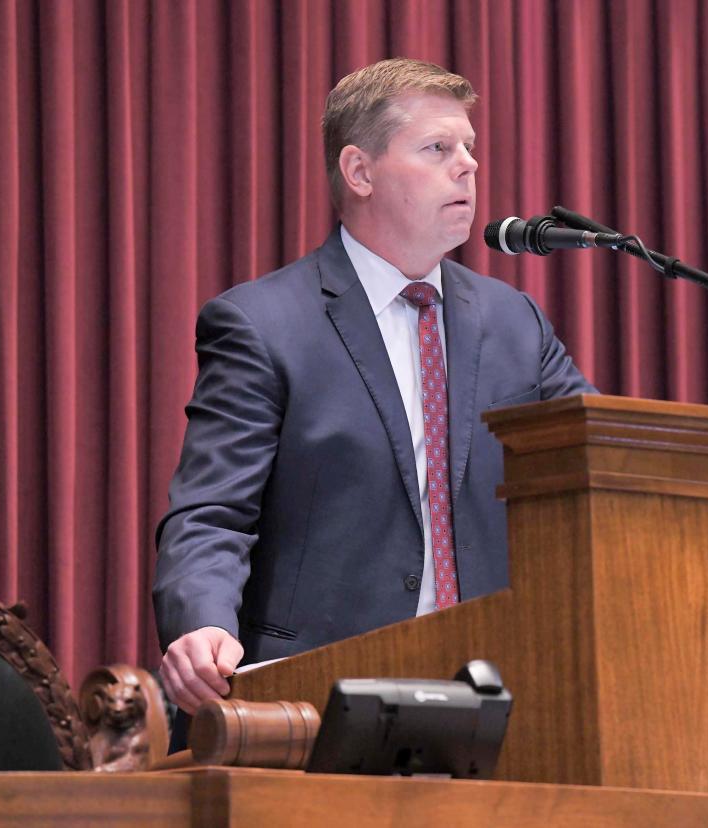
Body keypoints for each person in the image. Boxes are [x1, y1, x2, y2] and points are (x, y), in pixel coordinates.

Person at [153, 58, 594, 715]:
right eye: (438, 148)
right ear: (359, 171)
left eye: (470, 147)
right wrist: (202, 622)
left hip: (497, 693)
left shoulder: (515, 324)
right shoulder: (263, 324)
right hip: (317, 697)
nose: (469, 165)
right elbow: (212, 512)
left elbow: (600, 468)